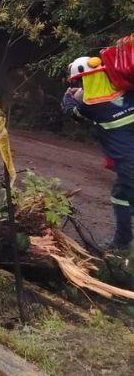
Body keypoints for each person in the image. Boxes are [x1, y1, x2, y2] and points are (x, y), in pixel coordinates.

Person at [62, 56, 134, 253]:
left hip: (129, 163)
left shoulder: (92, 107)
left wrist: (68, 96)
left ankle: (122, 245)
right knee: (120, 195)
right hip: (127, 161)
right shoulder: (128, 93)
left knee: (128, 198)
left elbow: (71, 111)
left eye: (81, 81)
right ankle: (122, 242)